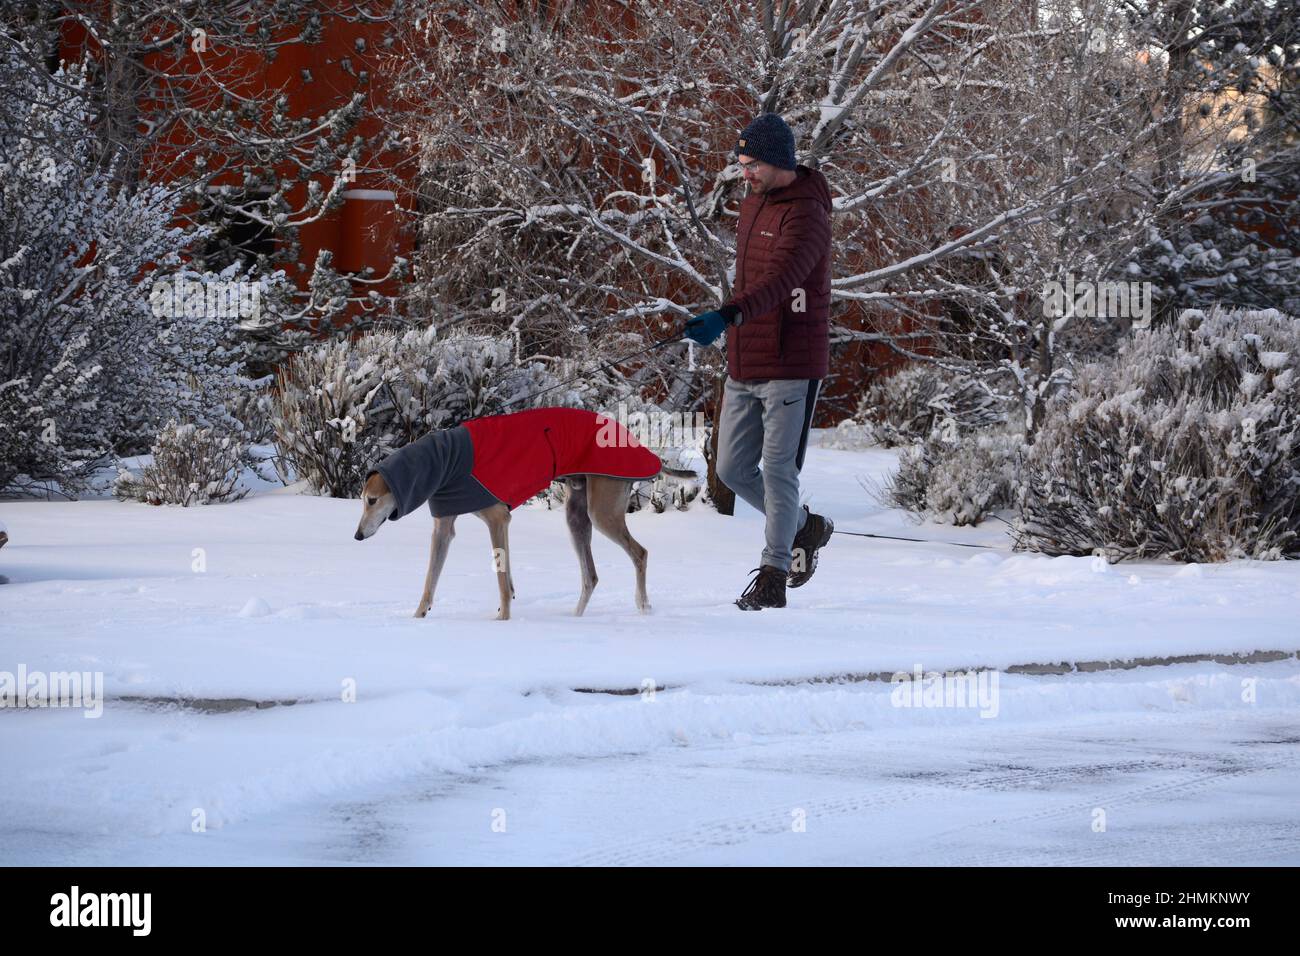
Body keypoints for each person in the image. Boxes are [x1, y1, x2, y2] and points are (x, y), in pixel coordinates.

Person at [683, 112, 834, 610]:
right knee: (730, 468)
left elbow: (782, 280)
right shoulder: (753, 202)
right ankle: (804, 528)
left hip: (791, 359)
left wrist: (726, 316)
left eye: (751, 164)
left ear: (778, 161)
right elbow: (748, 281)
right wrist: (727, 325)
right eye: (740, 163)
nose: (743, 173)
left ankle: (773, 574)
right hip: (747, 357)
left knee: (777, 470)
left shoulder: (808, 212)